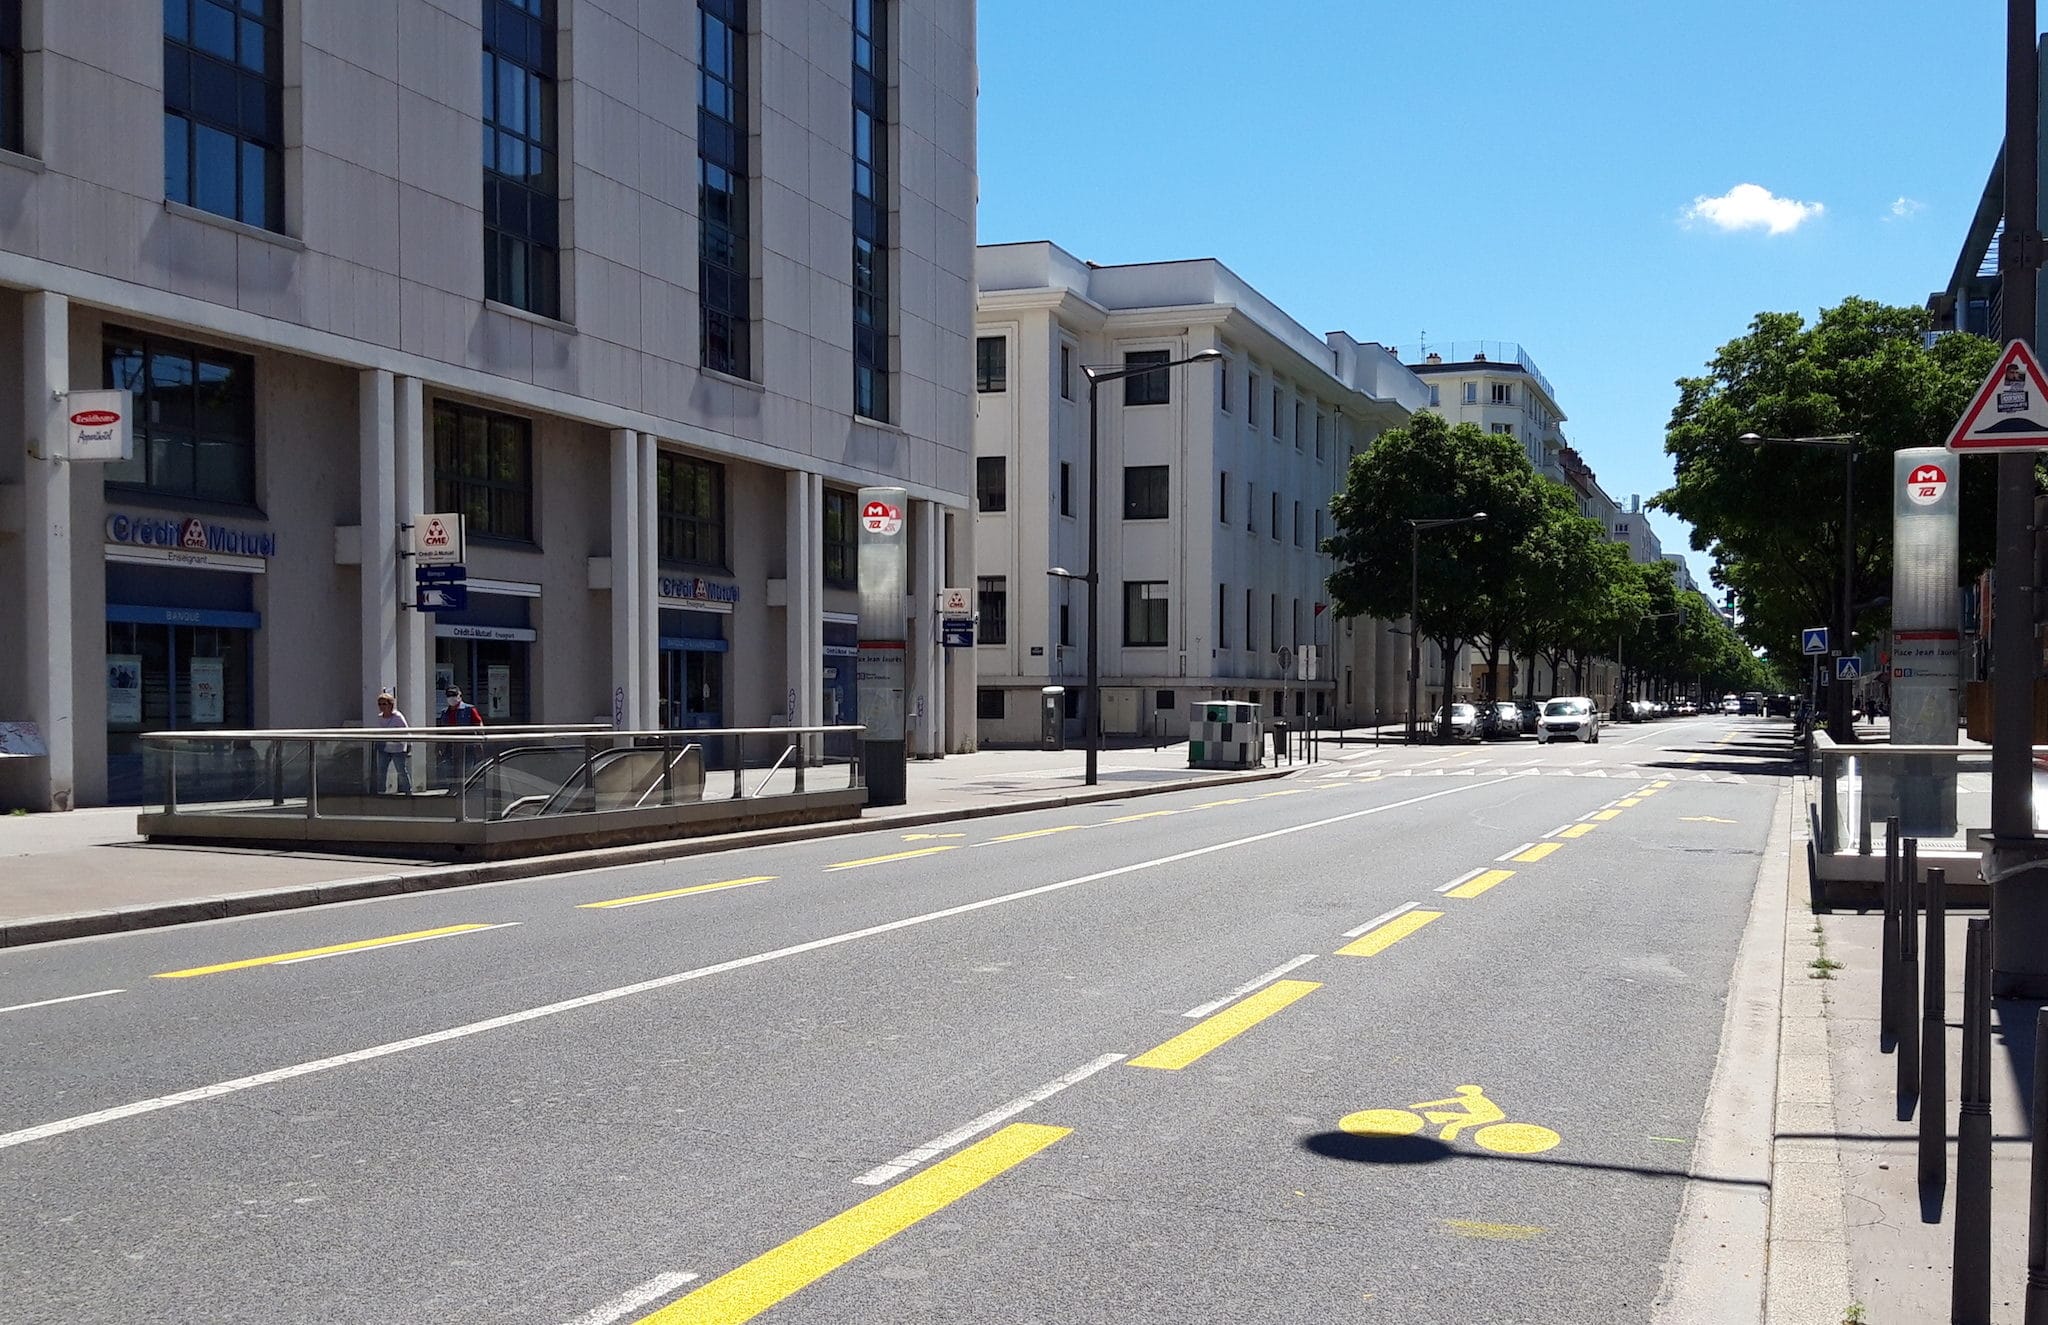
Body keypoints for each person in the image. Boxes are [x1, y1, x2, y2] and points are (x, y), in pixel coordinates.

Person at [436, 685, 484, 784]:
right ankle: (454, 790)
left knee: (466, 771)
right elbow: (441, 731)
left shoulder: (469, 709)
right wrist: (439, 746)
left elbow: (479, 725)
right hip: (450, 746)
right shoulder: (444, 712)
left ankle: (465, 790)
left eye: (454, 695)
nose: (451, 697)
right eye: (449, 695)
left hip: (467, 746)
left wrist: (480, 742)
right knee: (451, 771)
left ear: (459, 696)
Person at [371, 690, 412, 794]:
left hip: (397, 748)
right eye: (379, 704)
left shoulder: (398, 717)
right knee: (381, 771)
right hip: (384, 748)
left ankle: (408, 791)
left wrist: (407, 746)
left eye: (384, 704)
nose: (381, 706)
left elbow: (406, 732)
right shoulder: (379, 717)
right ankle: (381, 792)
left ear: (391, 704)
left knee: (401, 770)